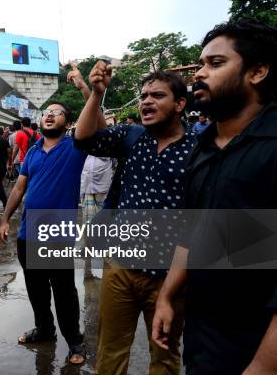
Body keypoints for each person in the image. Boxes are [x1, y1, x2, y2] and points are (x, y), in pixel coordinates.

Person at [153, 19, 277, 375]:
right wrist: (167, 296)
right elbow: (193, 233)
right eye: (201, 63)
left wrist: (263, 367)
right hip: (204, 343)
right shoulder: (202, 150)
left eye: (215, 64)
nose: (199, 74)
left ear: (257, 72)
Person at [75, 62, 195, 375]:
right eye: (143, 96)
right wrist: (97, 94)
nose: (146, 101)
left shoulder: (199, 150)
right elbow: (84, 139)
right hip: (120, 268)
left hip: (170, 278)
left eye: (157, 95)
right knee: (110, 352)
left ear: (180, 104)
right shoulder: (131, 137)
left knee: (165, 356)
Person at [0, 102, 87, 365]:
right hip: (29, 231)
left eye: (57, 112)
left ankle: (74, 341)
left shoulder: (75, 147)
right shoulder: (34, 151)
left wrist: (89, 90)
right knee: (36, 289)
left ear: (68, 123)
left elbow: (91, 121)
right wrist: (5, 220)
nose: (49, 114)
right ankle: (45, 330)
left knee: (63, 291)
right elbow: (18, 189)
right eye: (46, 111)